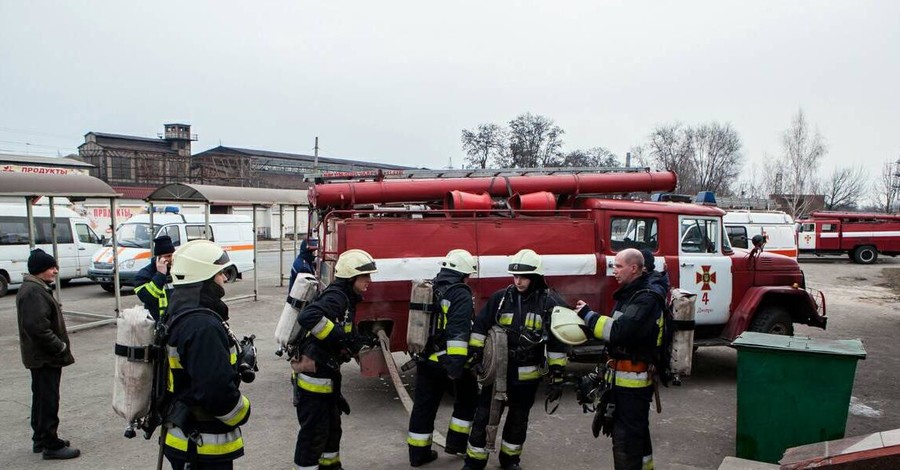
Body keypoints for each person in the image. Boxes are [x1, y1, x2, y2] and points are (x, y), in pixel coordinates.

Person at [463, 249, 569, 470]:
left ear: (536, 277)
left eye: (523, 277)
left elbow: (558, 342)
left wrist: (558, 373)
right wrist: (474, 355)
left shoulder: (550, 303)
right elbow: (480, 327)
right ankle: (474, 461)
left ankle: (510, 459)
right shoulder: (501, 299)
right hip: (498, 371)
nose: (518, 281)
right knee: (484, 416)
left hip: (527, 376)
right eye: (515, 276)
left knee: (518, 420)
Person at [162, 240, 252, 470]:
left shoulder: (181, 311)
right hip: (201, 447)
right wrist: (243, 411)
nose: (223, 278)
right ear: (206, 277)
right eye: (220, 273)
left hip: (185, 436)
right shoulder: (203, 325)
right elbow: (216, 393)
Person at [575, 248, 665, 470]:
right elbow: (615, 335)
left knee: (626, 441)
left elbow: (619, 331)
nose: (613, 270)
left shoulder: (646, 297)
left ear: (634, 268)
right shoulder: (630, 293)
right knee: (637, 435)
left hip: (632, 385)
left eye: (618, 266)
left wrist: (588, 315)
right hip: (621, 381)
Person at [292, 249, 378, 470]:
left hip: (326, 375)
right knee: (313, 434)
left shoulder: (346, 297)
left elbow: (344, 330)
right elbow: (308, 317)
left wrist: (358, 341)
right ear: (351, 277)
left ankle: (331, 466)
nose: (369, 280)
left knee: (331, 429)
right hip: (315, 377)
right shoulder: (336, 297)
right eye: (365, 276)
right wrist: (342, 339)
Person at [408, 249, 480, 467]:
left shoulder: (432, 286)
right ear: (464, 274)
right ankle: (457, 444)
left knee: (423, 406)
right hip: (448, 361)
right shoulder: (460, 293)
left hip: (425, 358)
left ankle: (417, 455)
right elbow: (458, 332)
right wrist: (456, 368)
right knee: (468, 400)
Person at [16, 249, 80, 460]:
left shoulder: (35, 288)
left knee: (41, 399)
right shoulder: (33, 292)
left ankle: (41, 439)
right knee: (48, 400)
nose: (55, 271)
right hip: (45, 357)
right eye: (51, 267)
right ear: (40, 270)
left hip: (40, 357)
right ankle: (51, 445)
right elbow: (37, 328)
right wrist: (59, 347)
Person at [134, 235, 176, 320]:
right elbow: (147, 298)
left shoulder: (178, 270)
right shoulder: (144, 275)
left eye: (172, 255)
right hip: (157, 322)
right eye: (167, 256)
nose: (171, 259)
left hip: (177, 320)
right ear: (158, 258)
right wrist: (160, 275)